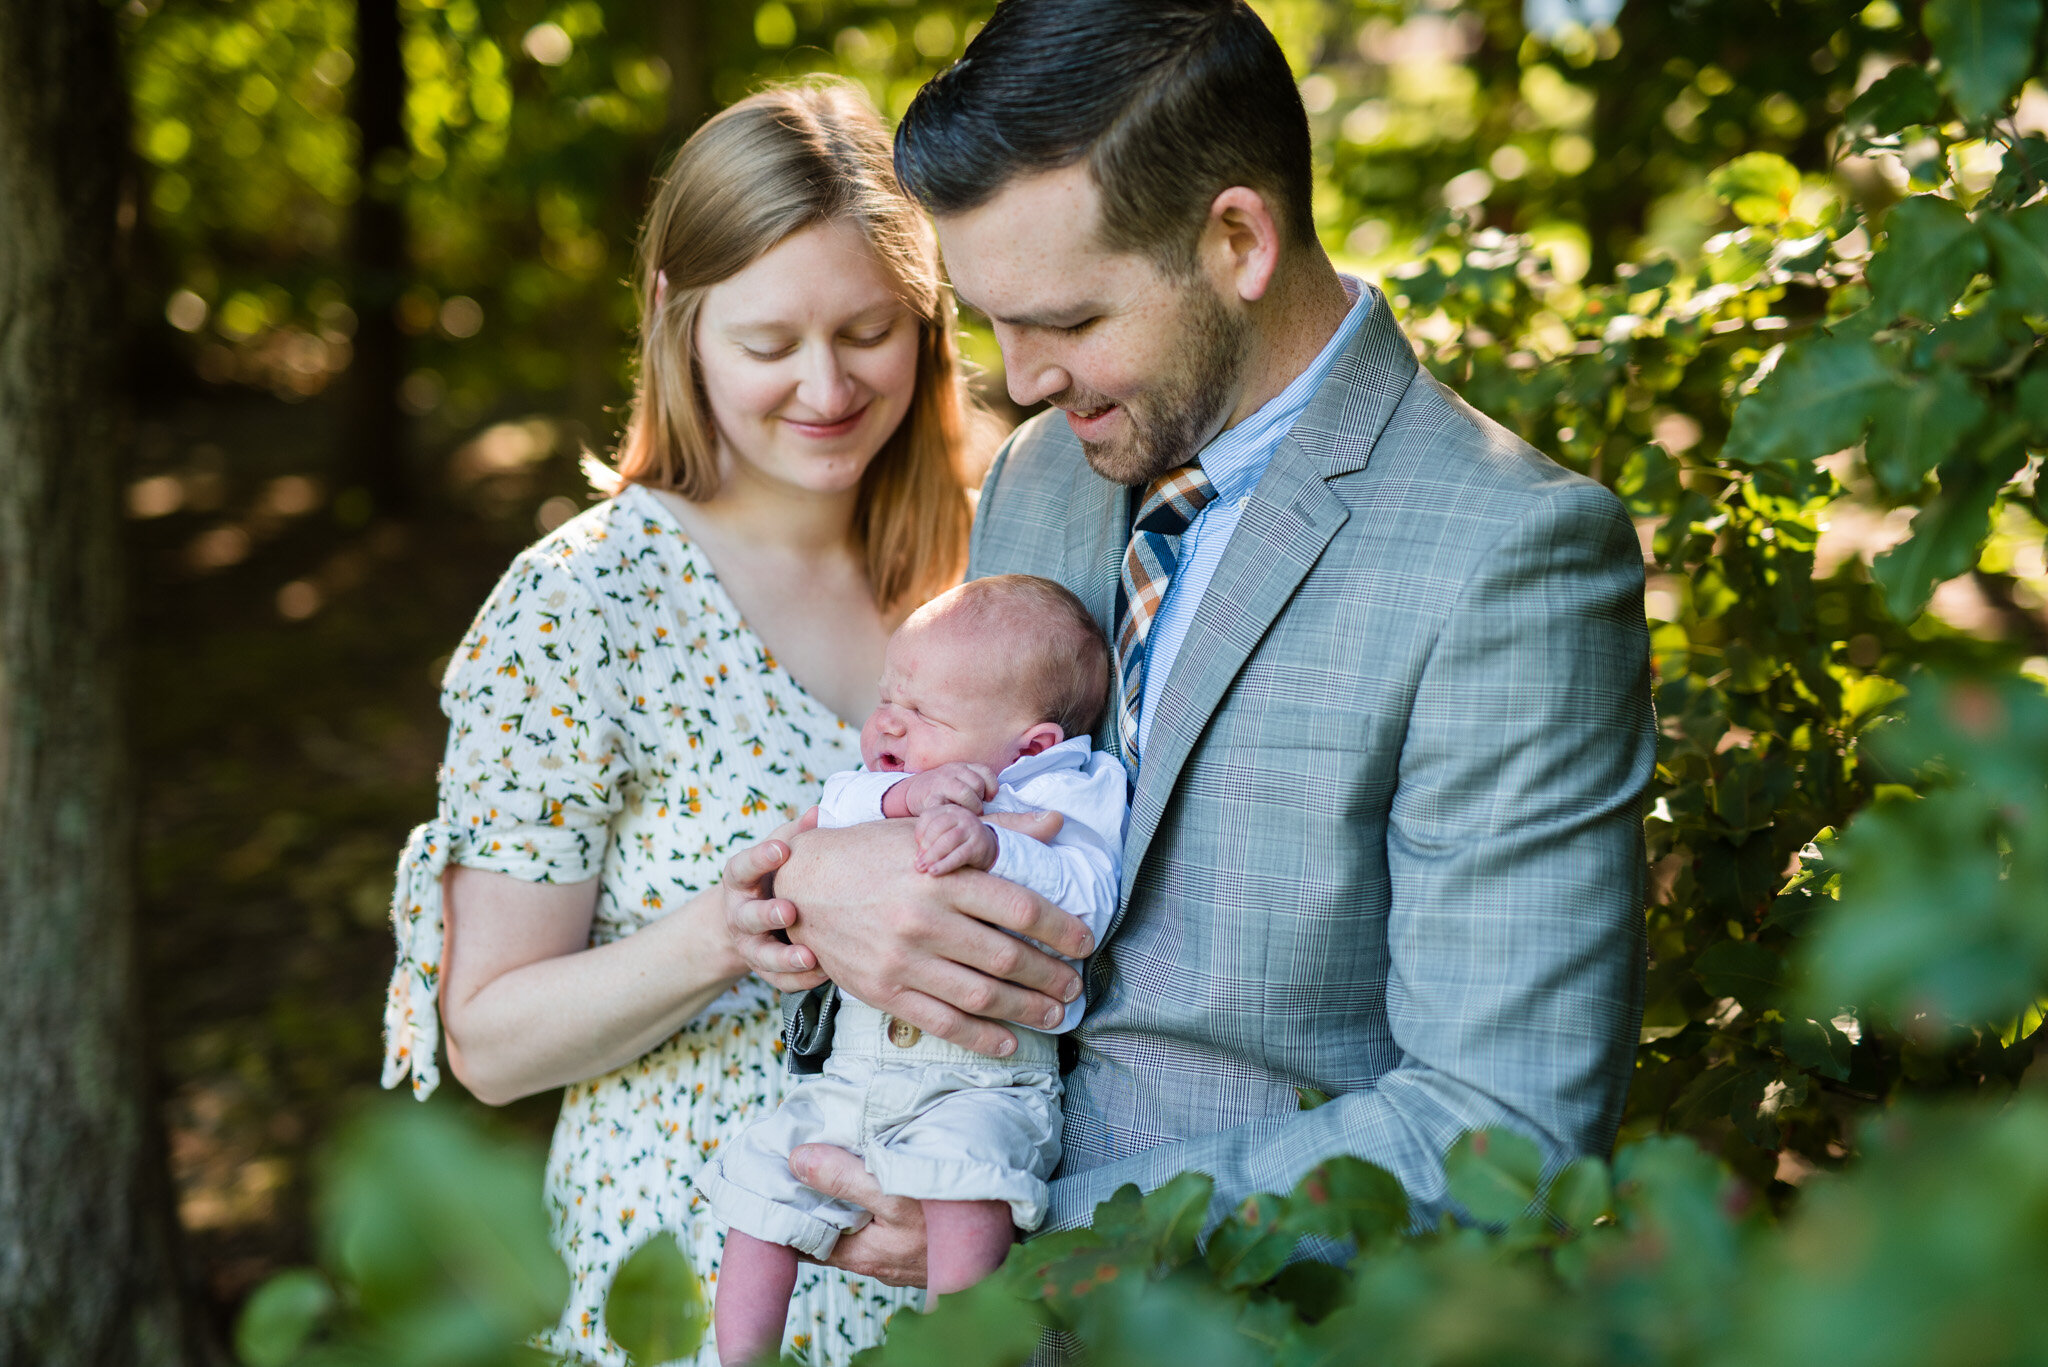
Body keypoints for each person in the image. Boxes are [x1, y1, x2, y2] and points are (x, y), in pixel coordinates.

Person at [722, 0, 1657, 1296]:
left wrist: (1030, 1241)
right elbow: (984, 777)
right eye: (993, 320)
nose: (1022, 377)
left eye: (1065, 319)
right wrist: (839, 873)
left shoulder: (1512, 556)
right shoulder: (1049, 475)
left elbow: (1508, 1134)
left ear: (1238, 240)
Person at [380, 79, 1008, 1366]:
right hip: (681, 1299)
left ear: (929, 318)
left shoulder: (1002, 560)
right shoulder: (584, 602)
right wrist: (717, 935)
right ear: (676, 320)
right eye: (768, 342)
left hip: (973, 1295)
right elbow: (490, 1039)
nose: (825, 387)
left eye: (867, 331)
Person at [703, 574, 1123, 1365]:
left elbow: (1090, 899)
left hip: (983, 1082)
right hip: (853, 1077)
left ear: (1031, 745)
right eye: (889, 698)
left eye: (925, 713)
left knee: (970, 1191)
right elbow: (829, 816)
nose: (888, 721)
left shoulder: (1070, 791)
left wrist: (999, 845)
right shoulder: (882, 788)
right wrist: (908, 796)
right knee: (759, 1181)